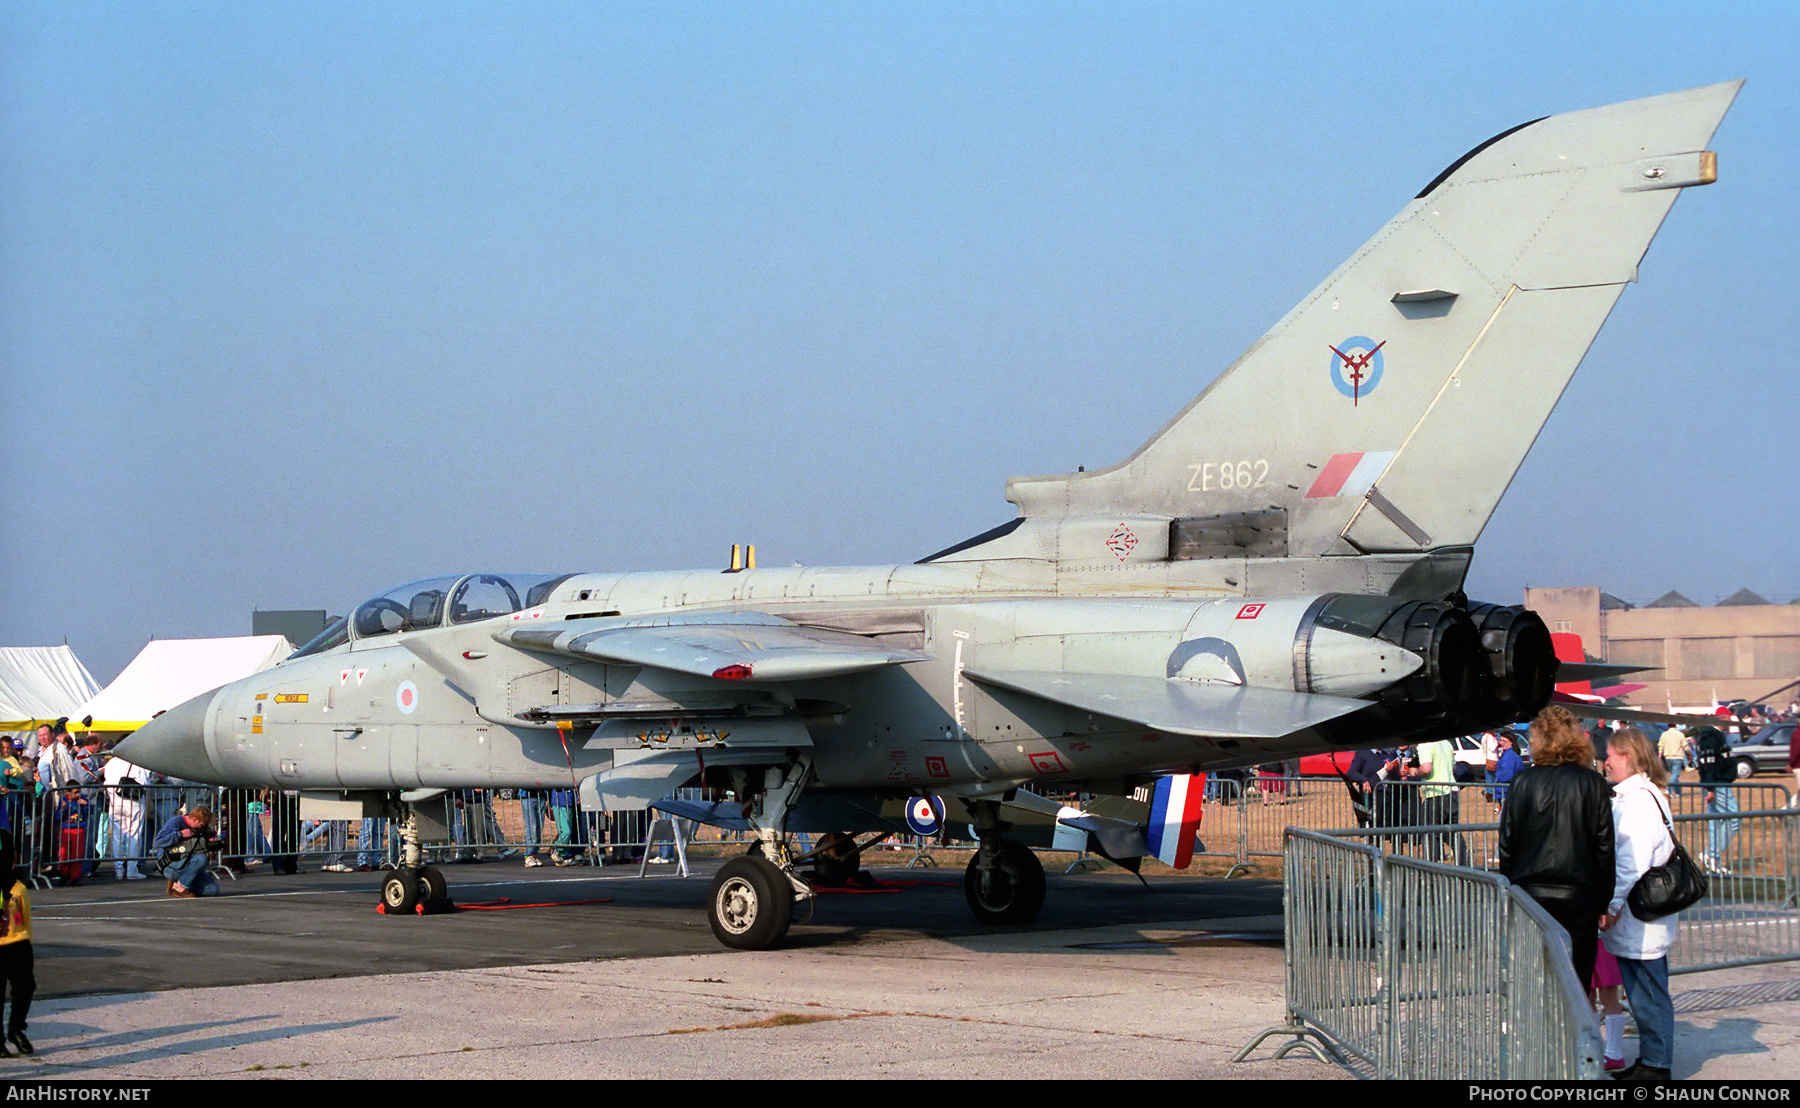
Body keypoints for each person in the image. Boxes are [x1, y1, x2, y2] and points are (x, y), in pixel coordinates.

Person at [1498, 705, 1616, 989]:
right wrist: (1604, 901)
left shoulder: (1523, 781)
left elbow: (1507, 843)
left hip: (1531, 892)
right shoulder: (1592, 782)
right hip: (1579, 895)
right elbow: (1604, 847)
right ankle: (1573, 1034)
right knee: (1576, 985)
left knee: (1534, 982)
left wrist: (1511, 888)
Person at [1601, 727, 1680, 1082]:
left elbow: (1631, 860)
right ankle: (1651, 1059)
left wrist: (1613, 904)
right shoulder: (1638, 796)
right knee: (1643, 991)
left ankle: (1657, 1065)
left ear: (1628, 757)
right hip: (1640, 914)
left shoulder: (1638, 800)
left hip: (1639, 913)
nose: (1606, 762)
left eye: (1611, 756)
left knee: (1648, 993)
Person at [0, 830, 35, 1055]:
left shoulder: (18, 889)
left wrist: (25, 945)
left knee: (25, 987)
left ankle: (16, 1028)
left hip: (18, 944)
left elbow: (25, 920)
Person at [1693, 726, 1737, 873]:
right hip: (1717, 784)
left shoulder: (1715, 736)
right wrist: (1710, 788)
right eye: (1727, 717)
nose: (1730, 721)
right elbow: (1707, 764)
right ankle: (1711, 854)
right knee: (1734, 820)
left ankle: (1713, 861)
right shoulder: (1710, 737)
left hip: (1717, 783)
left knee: (1716, 821)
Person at [153, 806, 223, 897]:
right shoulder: (175, 822)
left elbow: (207, 843)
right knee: (201, 858)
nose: (203, 827)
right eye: (202, 824)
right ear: (194, 820)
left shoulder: (203, 827)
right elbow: (159, 841)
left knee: (212, 890)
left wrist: (212, 841)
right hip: (173, 865)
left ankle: (177, 884)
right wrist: (180, 834)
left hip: (190, 866)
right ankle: (180, 888)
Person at [101, 748, 149, 880]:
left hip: (115, 801)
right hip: (134, 802)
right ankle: (132, 869)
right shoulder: (138, 763)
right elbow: (145, 783)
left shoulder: (111, 763)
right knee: (134, 835)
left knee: (117, 836)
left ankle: (119, 870)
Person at [1658, 726, 1689, 797]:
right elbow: (1686, 746)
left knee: (1674, 775)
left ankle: (1678, 792)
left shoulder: (1664, 734)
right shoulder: (1680, 734)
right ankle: (1669, 790)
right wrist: (1690, 754)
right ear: (1675, 725)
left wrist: (1659, 756)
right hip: (1677, 756)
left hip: (1667, 757)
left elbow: (1660, 746)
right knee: (1675, 775)